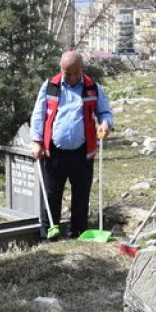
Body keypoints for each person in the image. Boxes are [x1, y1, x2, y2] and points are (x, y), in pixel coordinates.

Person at [30, 50, 114, 240]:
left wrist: (106, 123)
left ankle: (79, 235)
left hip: (82, 153)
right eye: (68, 73)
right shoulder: (50, 86)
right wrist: (36, 141)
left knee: (81, 197)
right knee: (51, 197)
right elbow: (38, 114)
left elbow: (105, 112)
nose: (73, 77)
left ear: (81, 69)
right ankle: (48, 237)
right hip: (53, 152)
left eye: (76, 73)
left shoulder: (93, 88)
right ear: (61, 70)